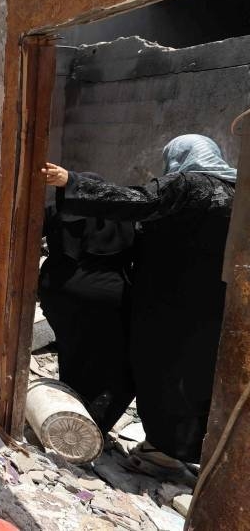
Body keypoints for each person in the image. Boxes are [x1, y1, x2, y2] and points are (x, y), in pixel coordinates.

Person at [42, 134, 237, 470]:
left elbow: (139, 200)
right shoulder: (237, 192)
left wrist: (72, 183)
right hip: (215, 307)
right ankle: (189, 451)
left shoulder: (190, 185)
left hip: (167, 303)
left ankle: (161, 450)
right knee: (197, 376)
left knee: (157, 371)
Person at [38, 176, 135, 432]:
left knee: (72, 352)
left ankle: (70, 414)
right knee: (112, 361)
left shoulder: (59, 210)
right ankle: (94, 423)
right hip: (108, 297)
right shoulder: (124, 217)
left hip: (59, 293)